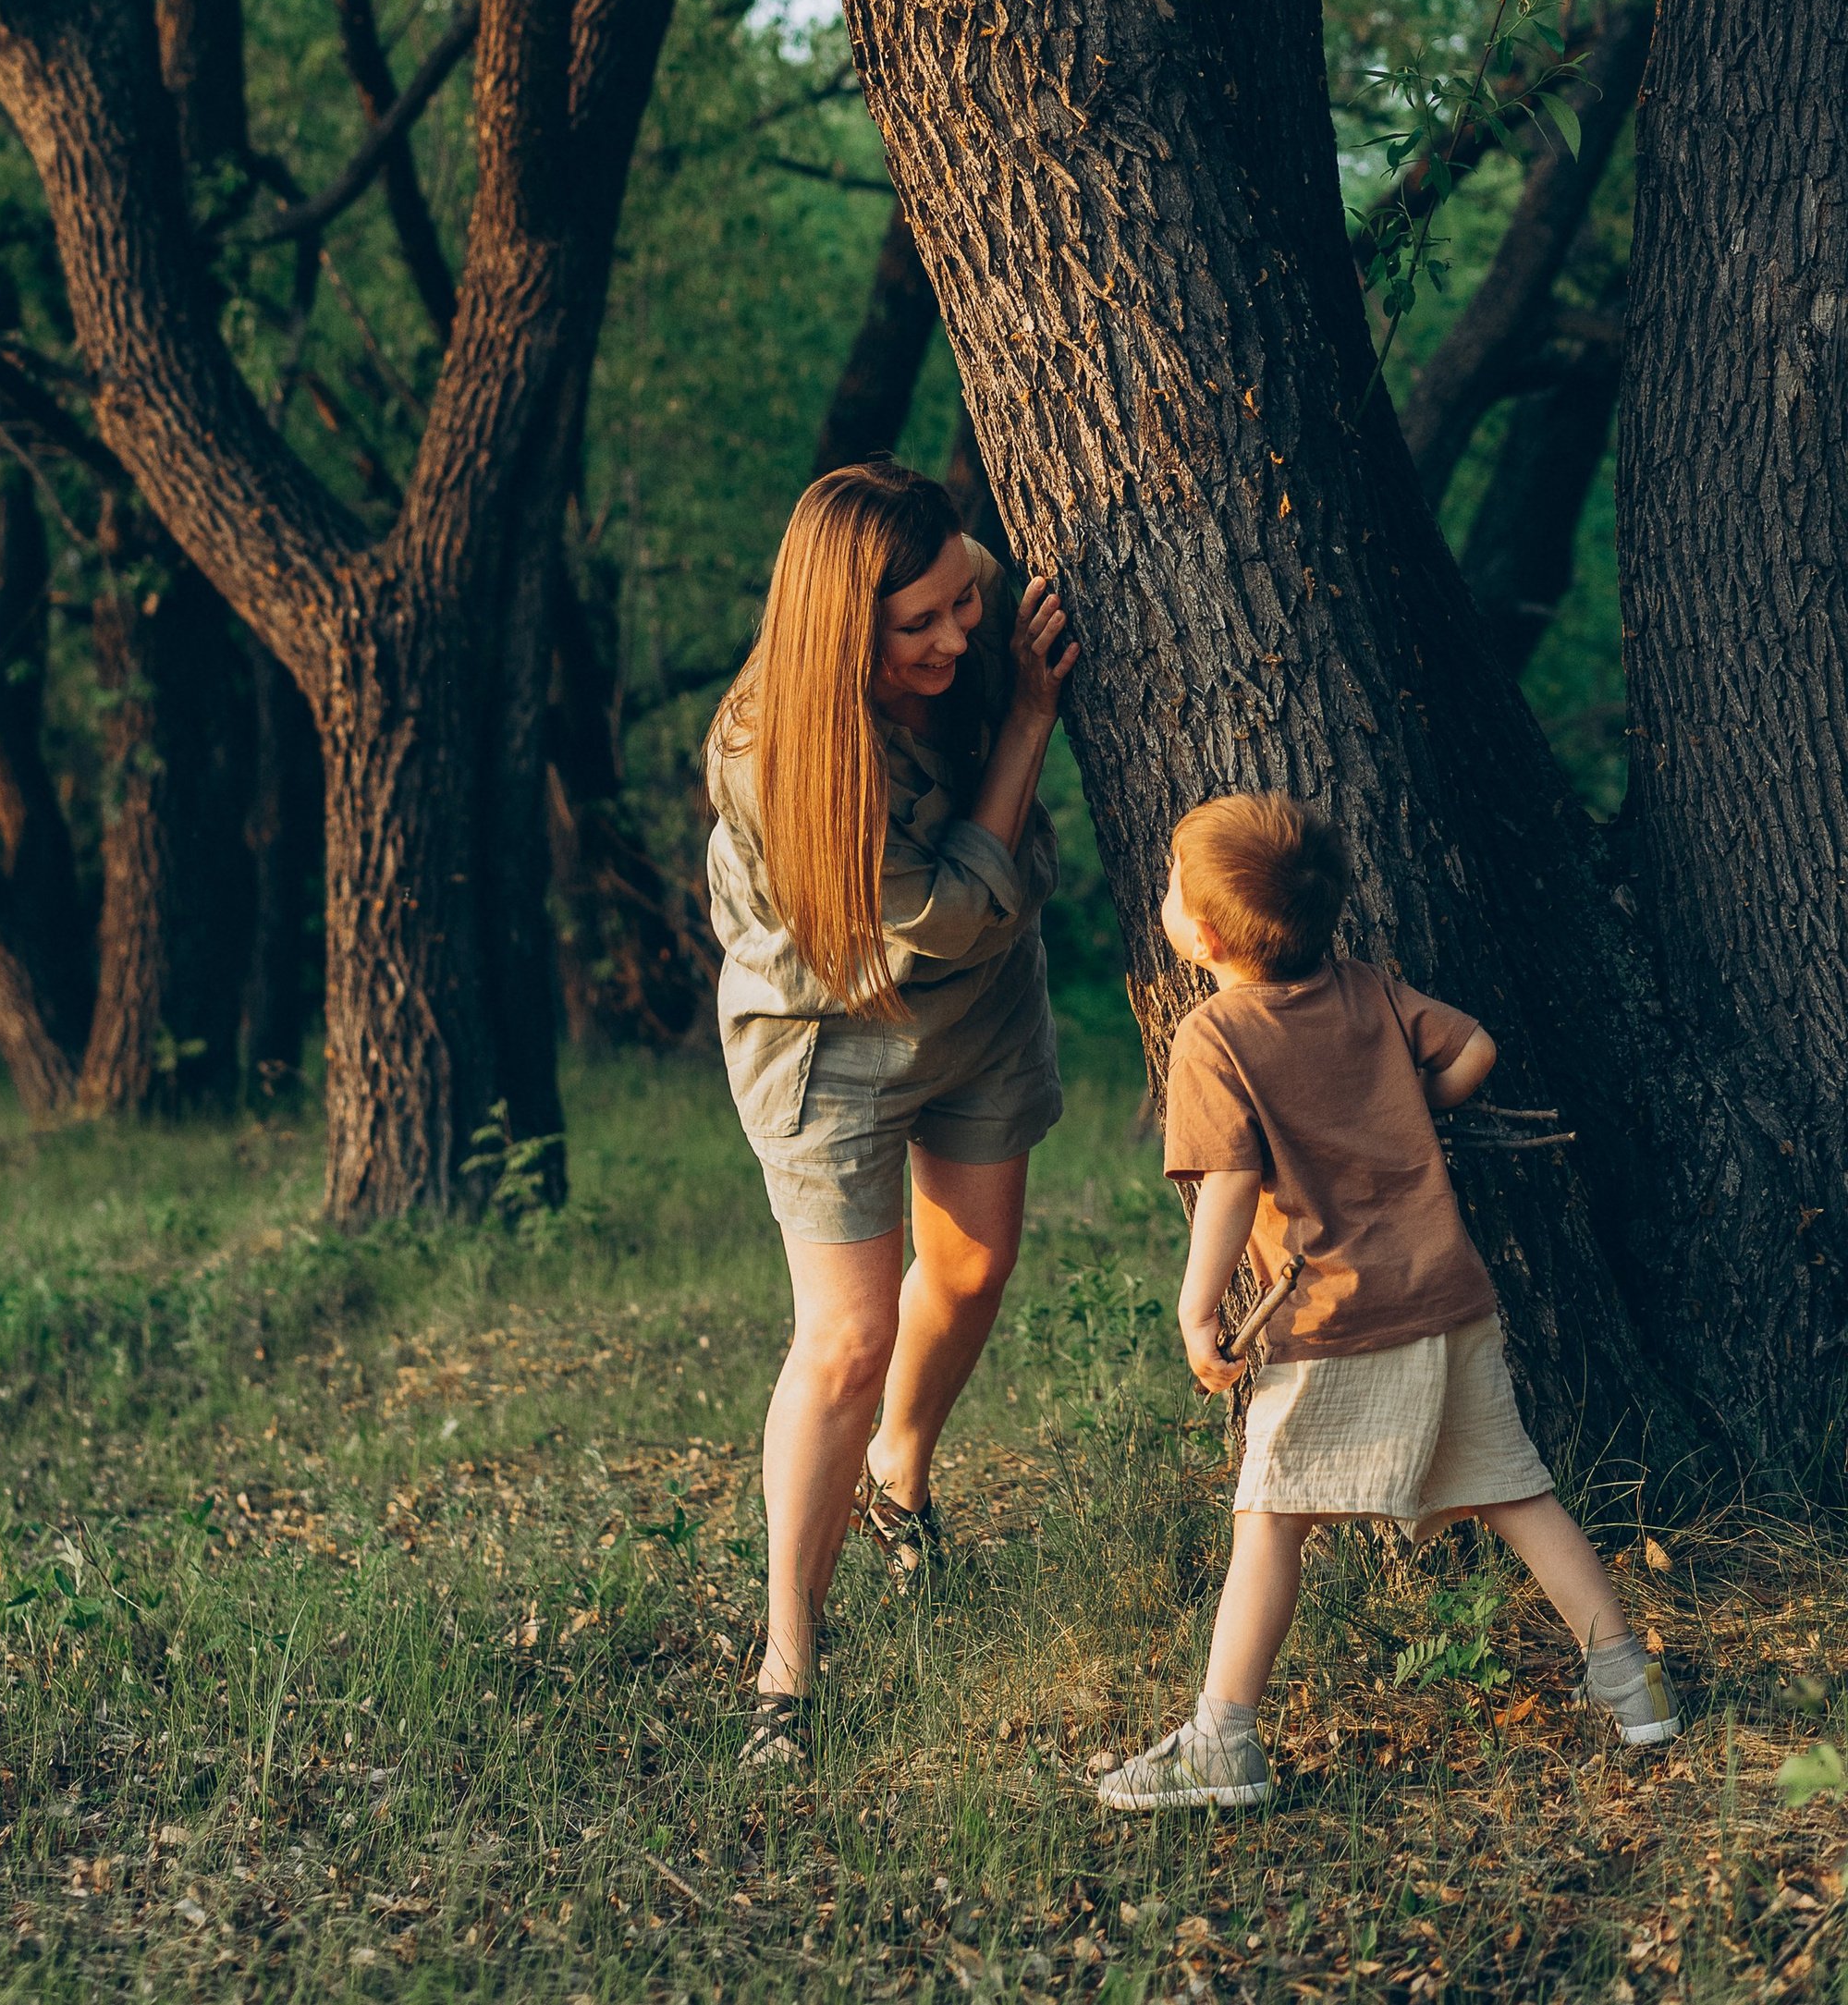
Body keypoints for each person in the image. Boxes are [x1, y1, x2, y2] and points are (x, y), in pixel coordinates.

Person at [1095, 790, 1680, 1812]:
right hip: (1447, 1295)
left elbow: (1228, 1185)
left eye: (1170, 890)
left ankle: (1223, 1742)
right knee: (1515, 1490)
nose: (1162, 901)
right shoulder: (1366, 988)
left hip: (1332, 1317)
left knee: (1270, 1516)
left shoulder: (1214, 1035)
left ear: (1206, 933)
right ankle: (1632, 1683)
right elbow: (1474, 1049)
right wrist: (1421, 1103)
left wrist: (1197, 1311)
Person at [706, 457, 1080, 1767]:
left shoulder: (963, 602)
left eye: (958, 605)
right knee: (847, 1341)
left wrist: (990, 656)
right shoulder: (776, 750)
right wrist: (1027, 722)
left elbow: (982, 929)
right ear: (839, 624)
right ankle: (788, 1669)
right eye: (915, 625)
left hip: (977, 1013)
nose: (957, 635)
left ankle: (898, 1482)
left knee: (972, 1273)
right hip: (832, 1036)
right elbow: (952, 910)